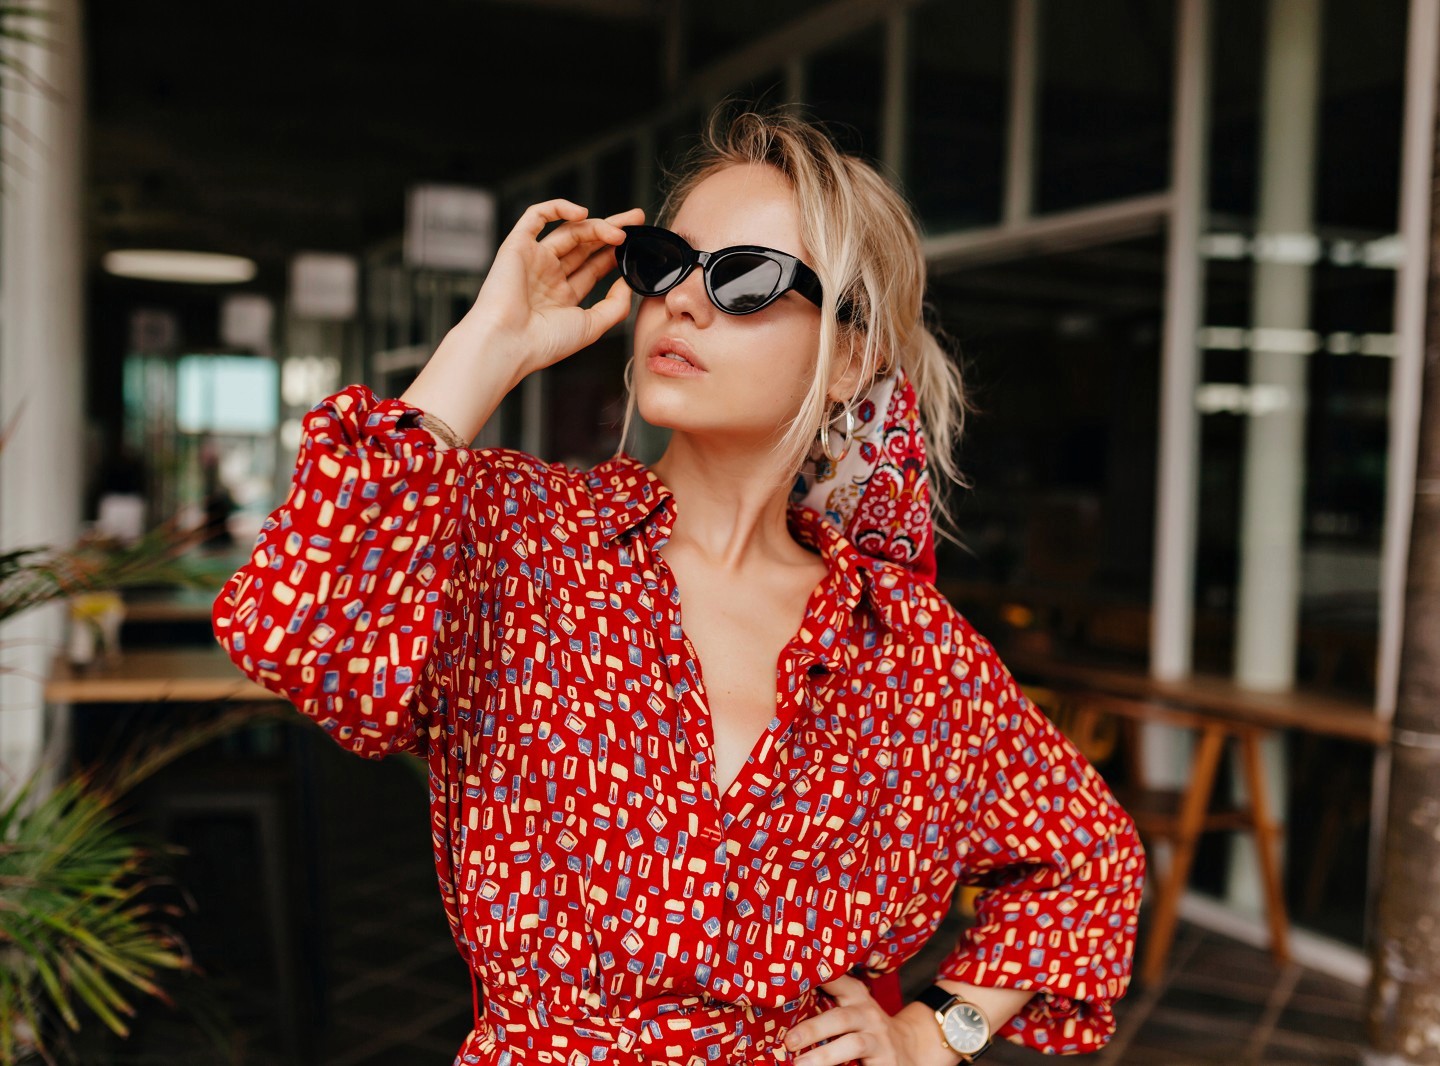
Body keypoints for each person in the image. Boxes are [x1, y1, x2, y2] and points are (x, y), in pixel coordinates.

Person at [213, 104, 1144, 1066]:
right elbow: (296, 628)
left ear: (851, 358)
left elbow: (1089, 854)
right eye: (664, 264)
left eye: (746, 279)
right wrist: (489, 343)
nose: (683, 302)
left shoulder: (902, 640)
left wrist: (935, 1032)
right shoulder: (518, 539)